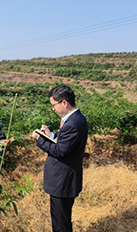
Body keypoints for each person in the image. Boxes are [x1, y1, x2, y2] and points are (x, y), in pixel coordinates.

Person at [33, 85, 88, 232]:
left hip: (62, 181)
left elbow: (60, 150)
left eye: (54, 105)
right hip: (62, 180)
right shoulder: (76, 119)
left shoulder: (73, 124)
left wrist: (40, 140)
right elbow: (65, 143)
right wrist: (50, 136)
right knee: (59, 219)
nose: (53, 109)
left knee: (61, 223)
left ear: (64, 102)